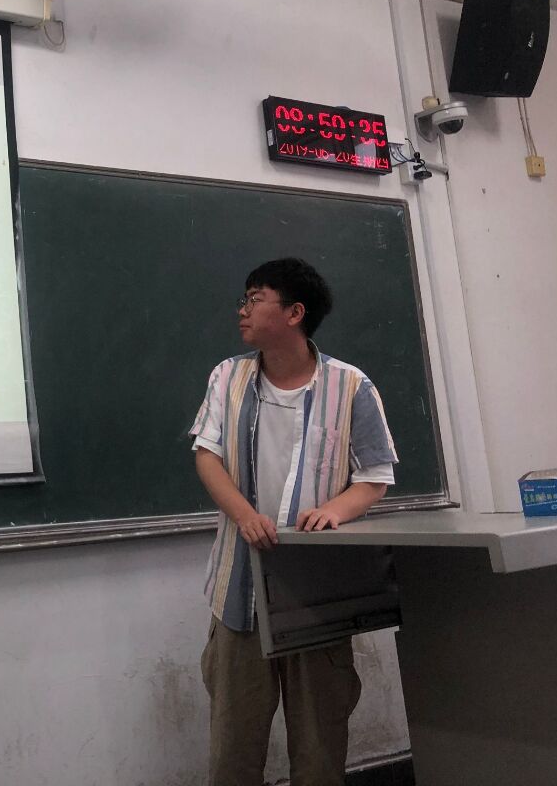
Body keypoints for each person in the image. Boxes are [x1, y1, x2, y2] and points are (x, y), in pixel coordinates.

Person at [189, 257, 398, 786]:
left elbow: (374, 477)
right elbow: (207, 456)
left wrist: (334, 511)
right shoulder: (228, 376)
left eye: (255, 298)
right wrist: (244, 516)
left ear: (294, 312)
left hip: (316, 593)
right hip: (239, 590)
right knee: (233, 751)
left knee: (320, 750)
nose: (242, 309)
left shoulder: (351, 386)